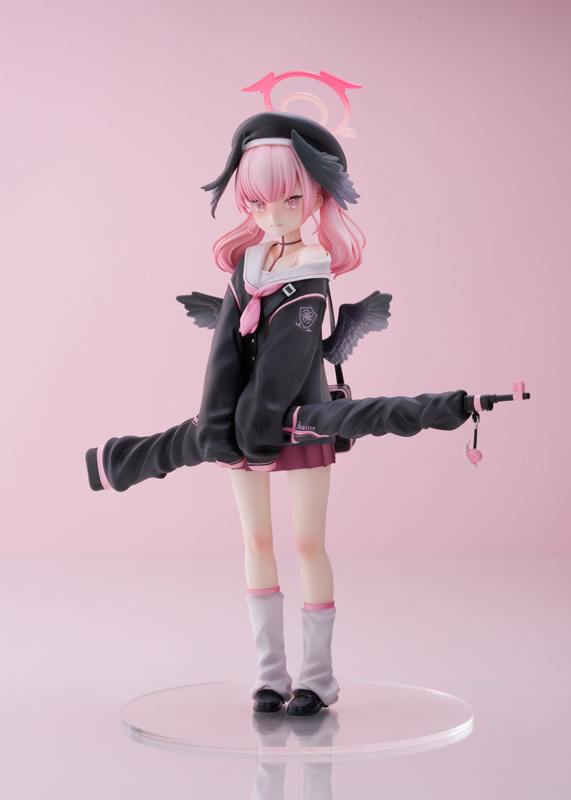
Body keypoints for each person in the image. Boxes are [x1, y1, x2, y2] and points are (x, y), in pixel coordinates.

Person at [86, 112, 483, 717]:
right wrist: (215, 420)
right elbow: (224, 351)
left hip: (298, 423)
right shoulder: (247, 266)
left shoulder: (312, 273)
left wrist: (256, 421)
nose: (274, 215)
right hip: (237, 426)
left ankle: (317, 678)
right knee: (256, 539)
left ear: (316, 194)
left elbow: (286, 362)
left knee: (306, 542)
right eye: (258, 201)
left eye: (290, 199)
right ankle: (270, 675)